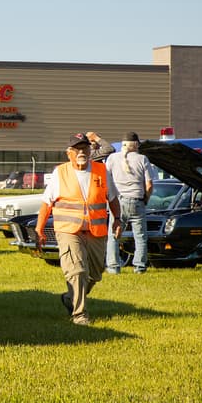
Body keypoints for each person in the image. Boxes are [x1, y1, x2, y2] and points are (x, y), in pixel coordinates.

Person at [36, 132, 122, 325]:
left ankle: (70, 298)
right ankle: (79, 314)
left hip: (96, 231)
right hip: (68, 231)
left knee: (95, 273)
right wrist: (39, 230)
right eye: (77, 149)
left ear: (90, 150)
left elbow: (113, 198)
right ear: (69, 153)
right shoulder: (60, 173)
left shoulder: (101, 170)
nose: (81, 152)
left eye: (84, 148)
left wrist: (118, 220)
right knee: (77, 271)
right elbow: (46, 203)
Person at [104, 132, 156, 274]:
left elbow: (106, 180)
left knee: (114, 235)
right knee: (140, 236)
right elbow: (149, 184)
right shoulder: (142, 159)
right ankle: (139, 267)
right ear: (136, 144)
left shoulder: (112, 158)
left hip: (117, 201)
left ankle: (113, 266)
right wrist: (146, 198)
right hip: (137, 201)